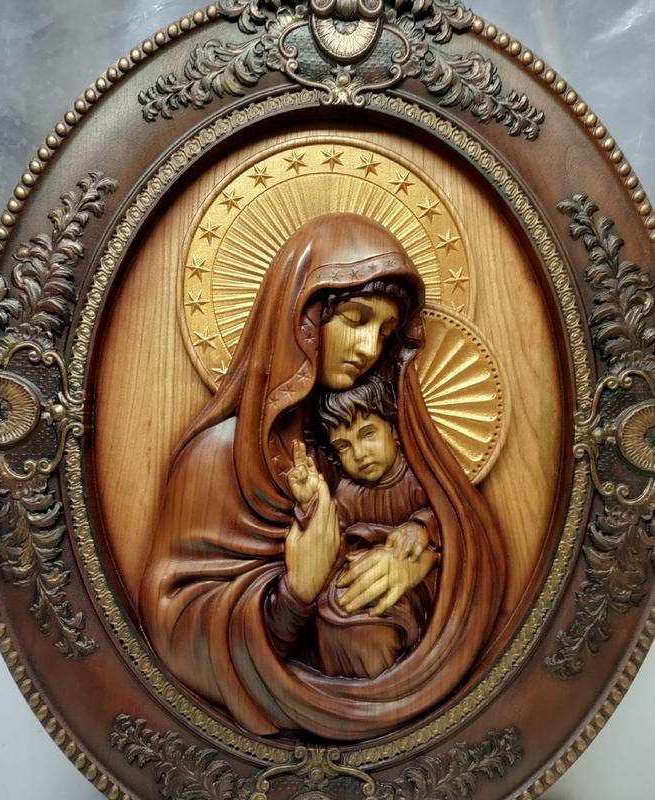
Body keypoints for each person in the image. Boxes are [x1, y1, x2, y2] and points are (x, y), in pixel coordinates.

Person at [139, 213, 506, 741]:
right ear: (303, 316)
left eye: (384, 333)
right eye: (356, 320)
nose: (370, 347)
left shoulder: (380, 426)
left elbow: (467, 533)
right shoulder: (217, 457)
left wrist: (420, 554)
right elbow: (176, 628)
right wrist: (295, 593)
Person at [286, 374, 441, 679]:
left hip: (407, 587)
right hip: (354, 588)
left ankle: (384, 687)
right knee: (332, 616)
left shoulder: (419, 479)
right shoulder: (347, 492)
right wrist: (309, 503)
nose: (359, 454)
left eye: (368, 434)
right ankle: (348, 688)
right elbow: (330, 538)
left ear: (393, 429)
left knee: (370, 628)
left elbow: (448, 516)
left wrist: (420, 529)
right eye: (344, 446)